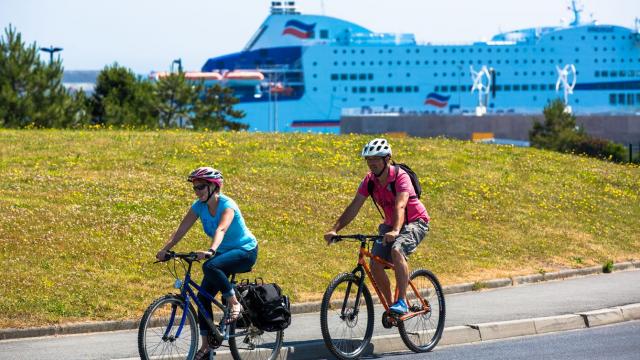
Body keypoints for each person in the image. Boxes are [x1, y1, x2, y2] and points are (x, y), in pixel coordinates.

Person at [156, 166, 258, 360]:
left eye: (201, 187)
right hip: (223, 252)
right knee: (203, 298)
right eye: (195, 188)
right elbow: (181, 230)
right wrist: (165, 250)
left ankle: (235, 303)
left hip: (245, 251)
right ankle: (206, 347)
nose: (197, 191)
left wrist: (211, 251)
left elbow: (221, 229)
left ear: (214, 187)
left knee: (210, 266)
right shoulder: (199, 206)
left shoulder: (227, 205)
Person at [324, 138, 430, 315]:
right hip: (390, 224)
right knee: (374, 263)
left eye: (376, 158)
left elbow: (401, 205)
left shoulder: (400, 177)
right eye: (369, 159)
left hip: (415, 221)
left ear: (387, 159)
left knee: (397, 251)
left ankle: (402, 301)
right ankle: (391, 307)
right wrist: (335, 229)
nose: (371, 163)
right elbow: (354, 206)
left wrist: (396, 230)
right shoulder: (369, 181)